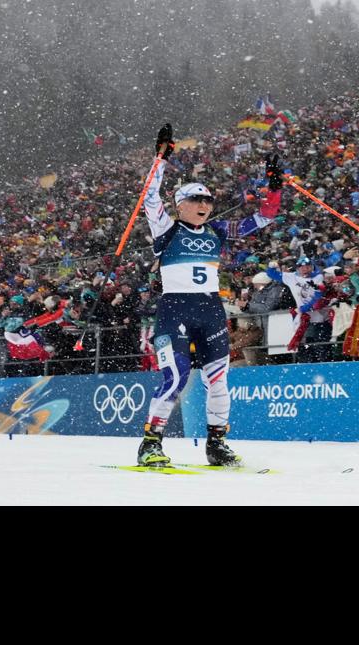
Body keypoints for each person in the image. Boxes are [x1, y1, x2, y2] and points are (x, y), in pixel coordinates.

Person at [135, 124, 280, 468]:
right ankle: (150, 445)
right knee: (176, 377)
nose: (203, 205)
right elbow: (150, 197)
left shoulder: (217, 230)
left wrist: (274, 187)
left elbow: (264, 217)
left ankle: (217, 445)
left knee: (218, 381)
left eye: (208, 200)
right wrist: (160, 159)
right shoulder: (167, 229)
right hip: (176, 310)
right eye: (196, 200)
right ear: (180, 205)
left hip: (211, 310)